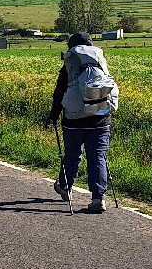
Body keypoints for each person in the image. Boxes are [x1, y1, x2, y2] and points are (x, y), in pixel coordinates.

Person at [45, 31, 113, 213]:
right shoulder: (100, 61)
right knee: (97, 157)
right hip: (101, 118)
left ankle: (66, 187)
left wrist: (53, 116)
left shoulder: (70, 64)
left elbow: (59, 93)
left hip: (74, 120)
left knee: (72, 155)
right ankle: (98, 198)